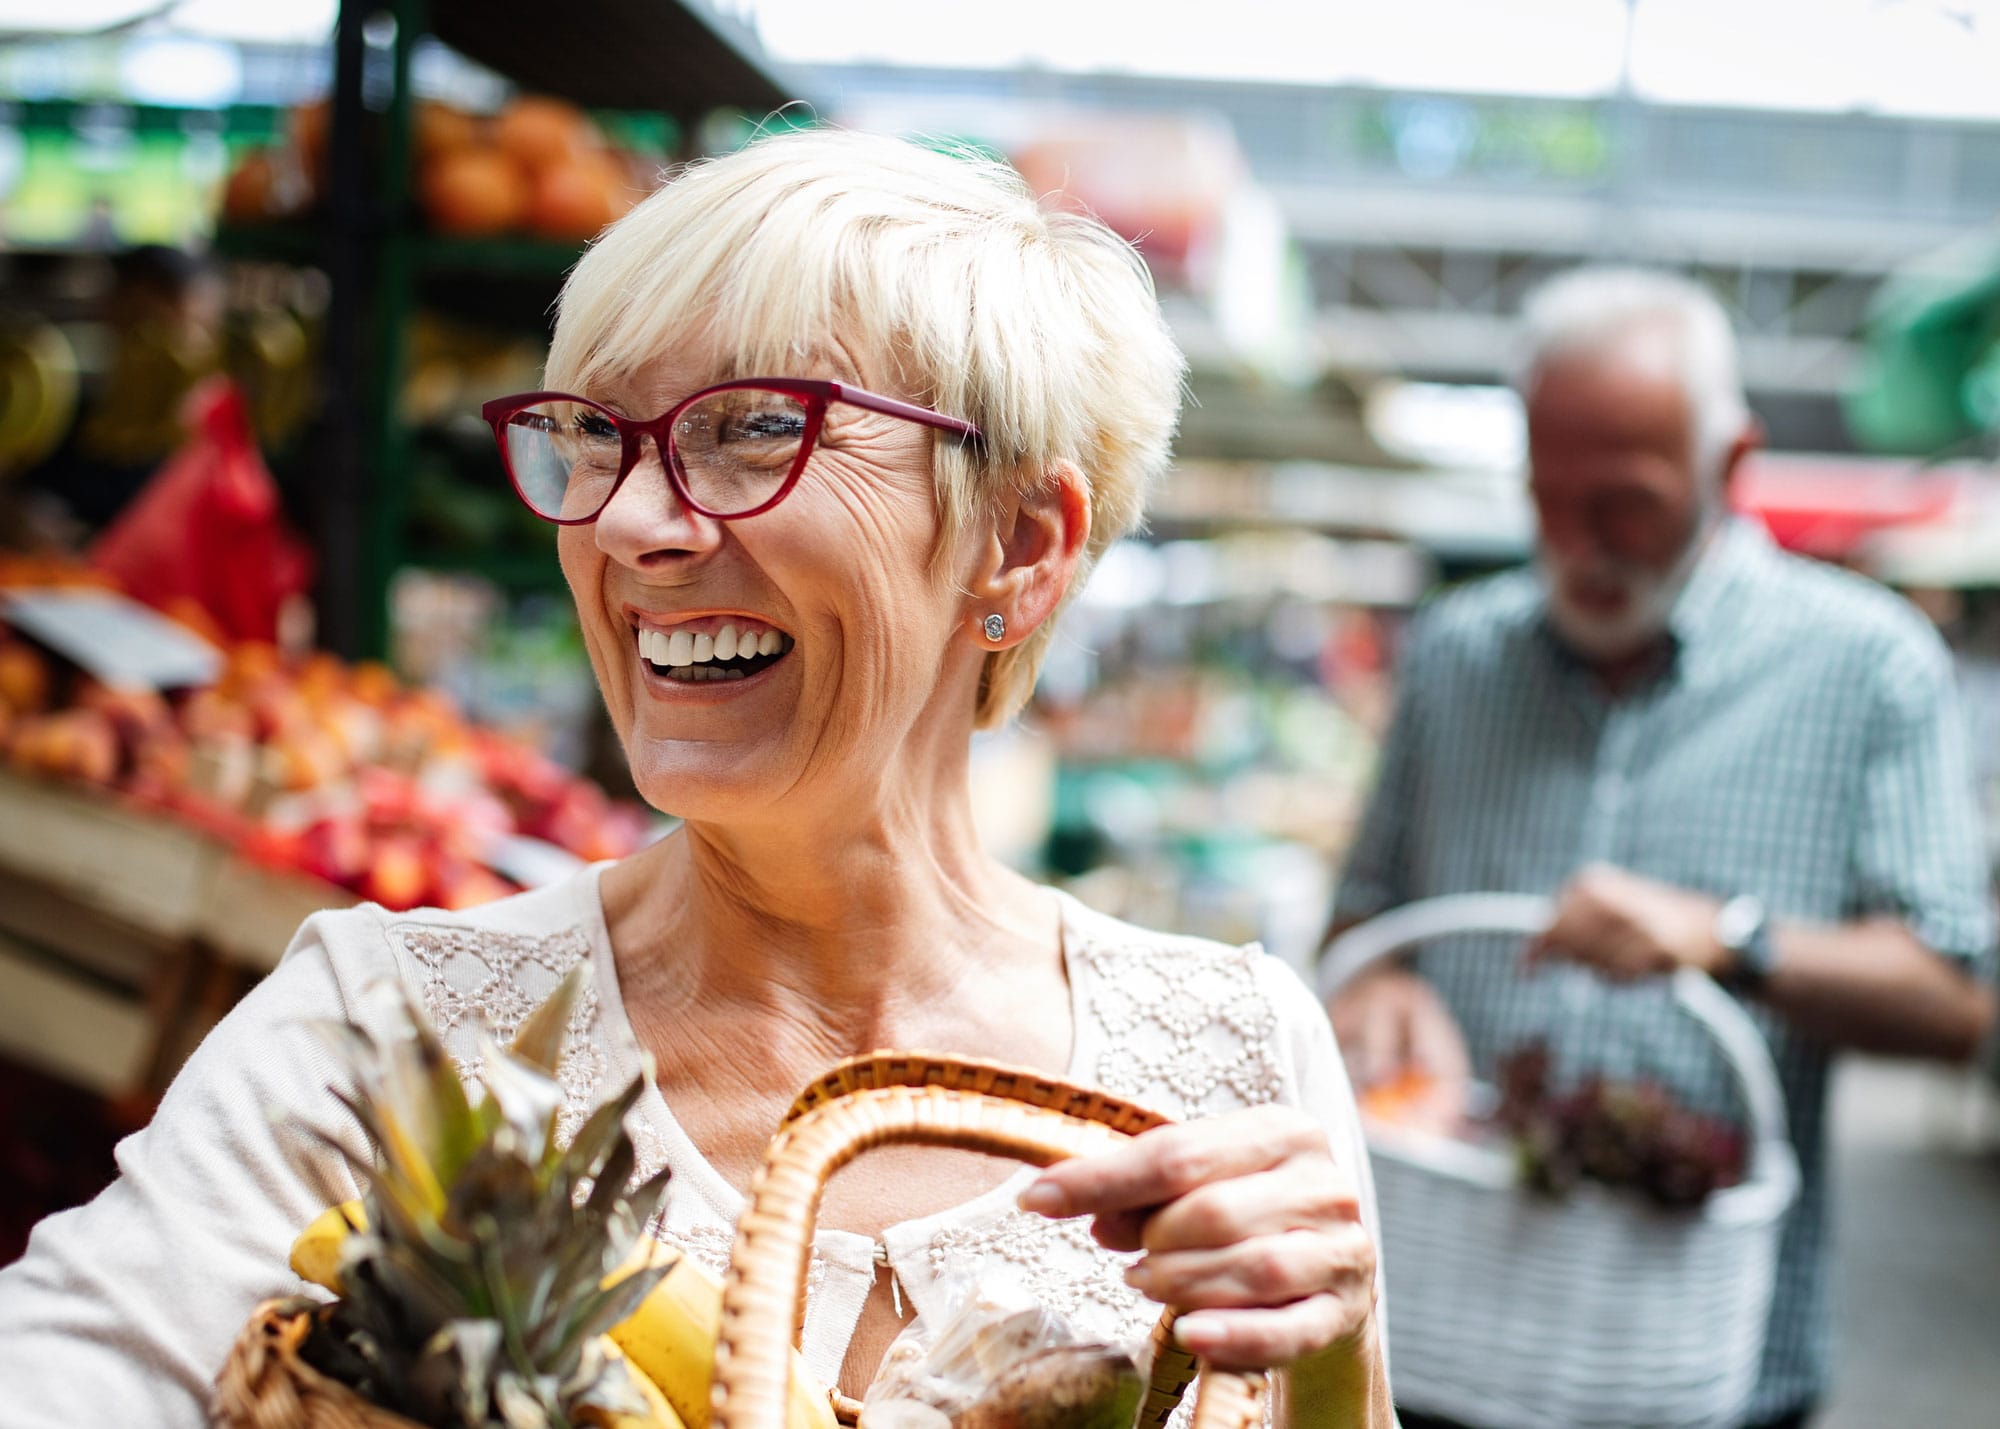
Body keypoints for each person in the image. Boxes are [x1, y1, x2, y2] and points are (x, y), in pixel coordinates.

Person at [0, 130, 1390, 1426]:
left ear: (1023, 541)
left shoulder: (1238, 1061)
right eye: (595, 436)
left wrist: (1336, 1355)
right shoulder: (385, 1037)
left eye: (753, 429)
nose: (634, 522)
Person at [1323, 266, 1996, 1429]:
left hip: (1708, 1358)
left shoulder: (1865, 666)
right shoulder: (1451, 658)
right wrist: (1379, 985)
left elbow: (1954, 1000)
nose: (1578, 542)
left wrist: (1727, 941)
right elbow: (1362, 915)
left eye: (1625, 501)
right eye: (1547, 496)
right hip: (1435, 1329)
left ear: (1728, 465)